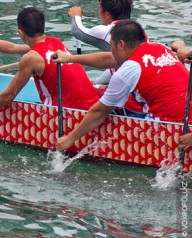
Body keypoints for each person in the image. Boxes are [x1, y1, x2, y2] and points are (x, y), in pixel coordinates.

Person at [55, 20, 191, 152]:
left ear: (121, 44)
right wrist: (70, 58)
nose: (111, 50)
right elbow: (110, 59)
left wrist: (69, 139)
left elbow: (99, 113)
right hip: (186, 121)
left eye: (111, 45)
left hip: (176, 130)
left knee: (104, 106)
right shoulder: (160, 49)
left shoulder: (128, 69)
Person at [0, 7, 99, 124]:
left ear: (20, 33)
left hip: (73, 117)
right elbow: (11, 48)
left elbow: (9, 96)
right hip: (94, 109)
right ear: (44, 28)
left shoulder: (31, 58)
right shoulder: (55, 42)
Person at [68, 0, 133, 85]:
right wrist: (96, 83)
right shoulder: (137, 30)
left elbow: (78, 31)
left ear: (107, 14)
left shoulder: (109, 31)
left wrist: (75, 16)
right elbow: (117, 65)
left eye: (100, 9)